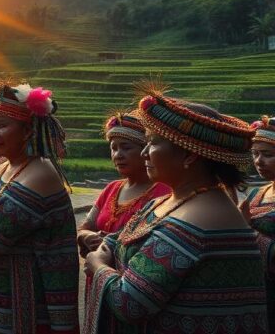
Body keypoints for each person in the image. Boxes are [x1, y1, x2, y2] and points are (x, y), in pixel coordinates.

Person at [84, 86, 268, 333]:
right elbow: (120, 240)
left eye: (152, 142)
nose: (144, 152)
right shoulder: (172, 201)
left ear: (189, 155)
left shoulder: (200, 217)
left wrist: (98, 266)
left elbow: (129, 303)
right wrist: (108, 249)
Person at [0, 80, 79, 334]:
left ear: (27, 131)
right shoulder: (7, 166)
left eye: (2, 125)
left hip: (23, 308)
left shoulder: (39, 175)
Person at [77, 112, 170, 258]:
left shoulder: (164, 193)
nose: (118, 155)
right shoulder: (111, 188)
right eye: (114, 148)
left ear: (145, 151)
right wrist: (87, 236)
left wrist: (112, 243)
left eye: (126, 148)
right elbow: (84, 228)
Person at [242, 115, 275, 330]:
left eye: (268, 155)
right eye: (255, 154)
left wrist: (247, 231)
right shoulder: (256, 194)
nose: (258, 161)